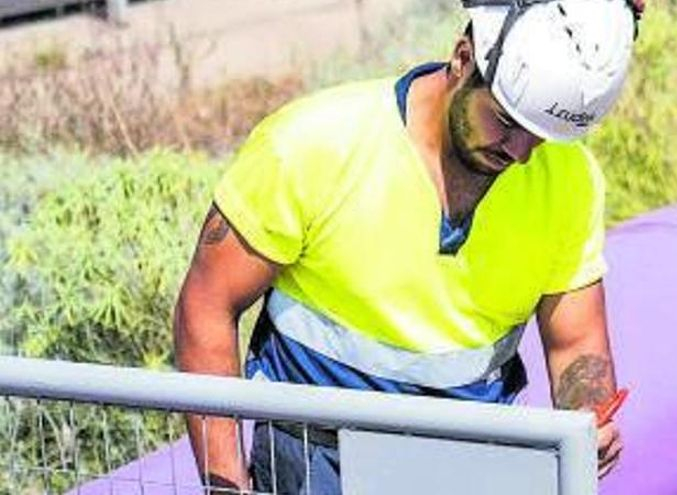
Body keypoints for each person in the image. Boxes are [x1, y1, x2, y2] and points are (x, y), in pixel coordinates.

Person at [174, 0, 643, 492]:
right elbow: (206, 306)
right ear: (463, 58)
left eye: (541, 137)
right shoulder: (312, 145)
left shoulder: (569, 180)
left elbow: (575, 342)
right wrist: (225, 485)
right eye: (505, 121)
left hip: (471, 461)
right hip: (317, 457)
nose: (521, 153)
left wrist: (589, 417)